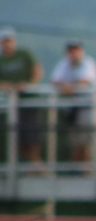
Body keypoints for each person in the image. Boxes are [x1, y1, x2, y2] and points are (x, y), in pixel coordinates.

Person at [50, 41, 96, 165]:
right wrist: (70, 88)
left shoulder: (89, 63)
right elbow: (55, 81)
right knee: (75, 143)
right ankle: (78, 172)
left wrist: (68, 88)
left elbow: (85, 82)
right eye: (71, 51)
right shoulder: (64, 64)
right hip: (72, 111)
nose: (74, 54)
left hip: (88, 109)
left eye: (76, 50)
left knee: (88, 143)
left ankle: (89, 172)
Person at [0, 27, 43, 165]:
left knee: (32, 138)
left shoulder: (24, 54)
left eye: (10, 40)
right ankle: (34, 168)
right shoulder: (2, 60)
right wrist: (9, 87)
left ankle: (36, 168)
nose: (7, 44)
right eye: (5, 41)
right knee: (17, 139)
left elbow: (37, 70)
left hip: (29, 101)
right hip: (11, 104)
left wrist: (28, 85)